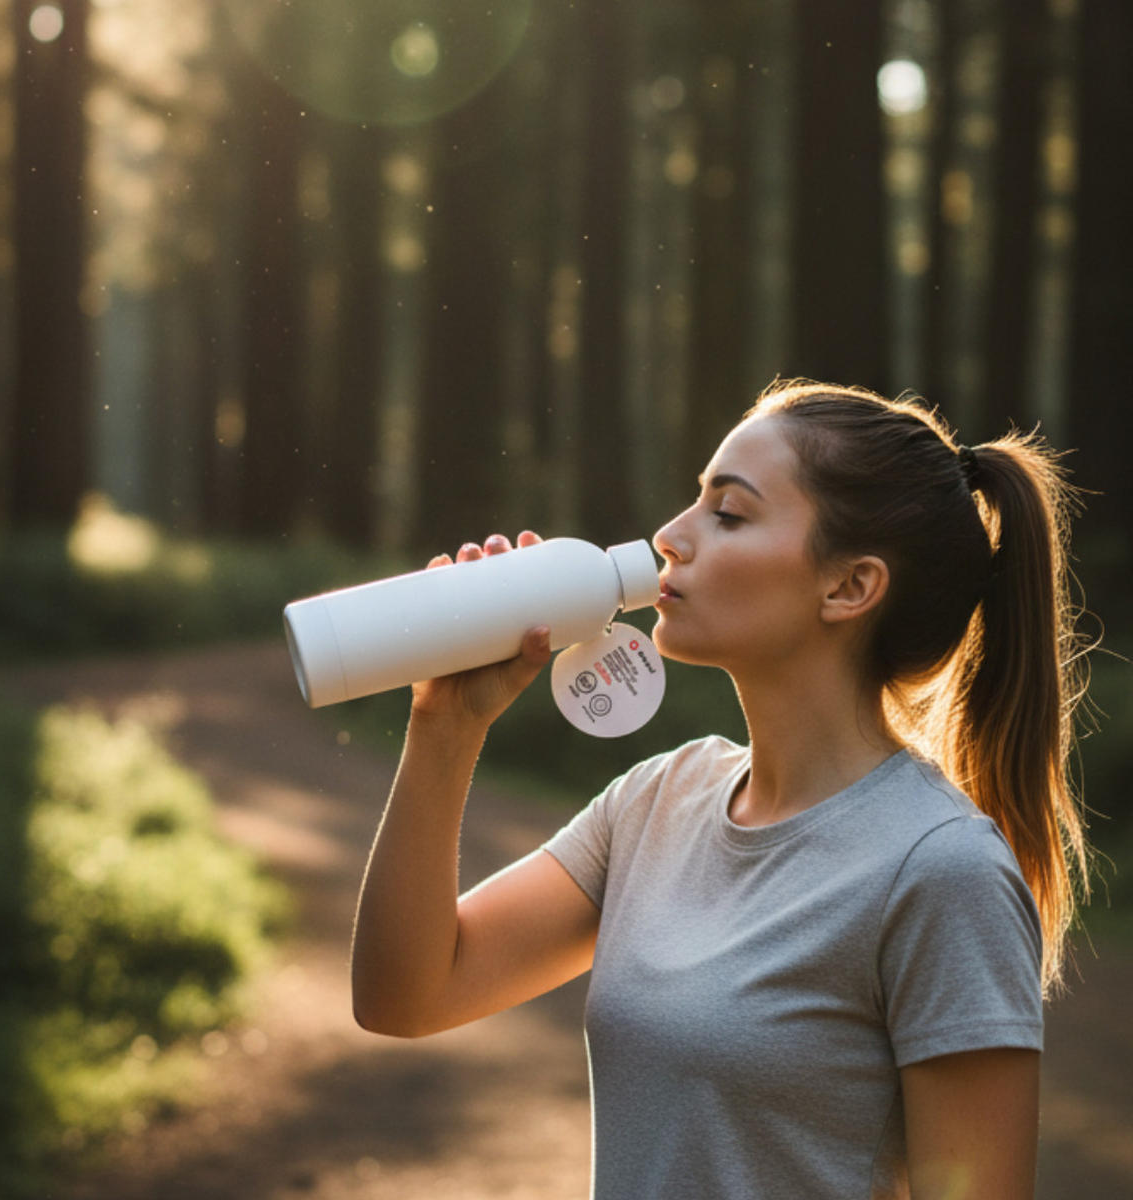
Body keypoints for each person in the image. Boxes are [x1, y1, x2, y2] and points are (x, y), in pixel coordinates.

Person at [350, 380, 1091, 1199]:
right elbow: (404, 996)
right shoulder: (657, 800)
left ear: (849, 587)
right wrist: (447, 727)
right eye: (695, 500)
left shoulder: (940, 872)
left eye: (728, 513)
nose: (670, 537)